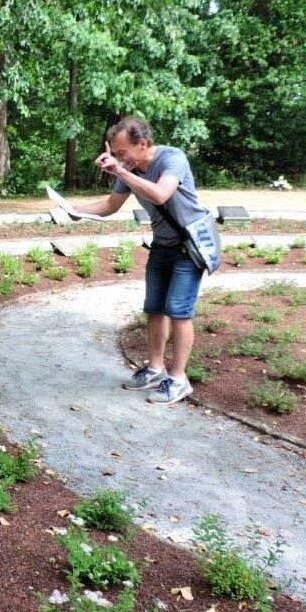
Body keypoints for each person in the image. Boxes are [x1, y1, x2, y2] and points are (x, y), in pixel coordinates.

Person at [72, 116, 208, 405]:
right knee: (155, 308)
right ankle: (156, 370)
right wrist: (75, 209)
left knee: (179, 311)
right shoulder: (129, 169)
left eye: (122, 153)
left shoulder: (173, 159)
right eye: (116, 154)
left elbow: (159, 195)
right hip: (162, 245)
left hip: (189, 246)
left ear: (142, 143)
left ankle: (178, 379)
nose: (119, 159)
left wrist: (120, 170)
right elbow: (110, 206)